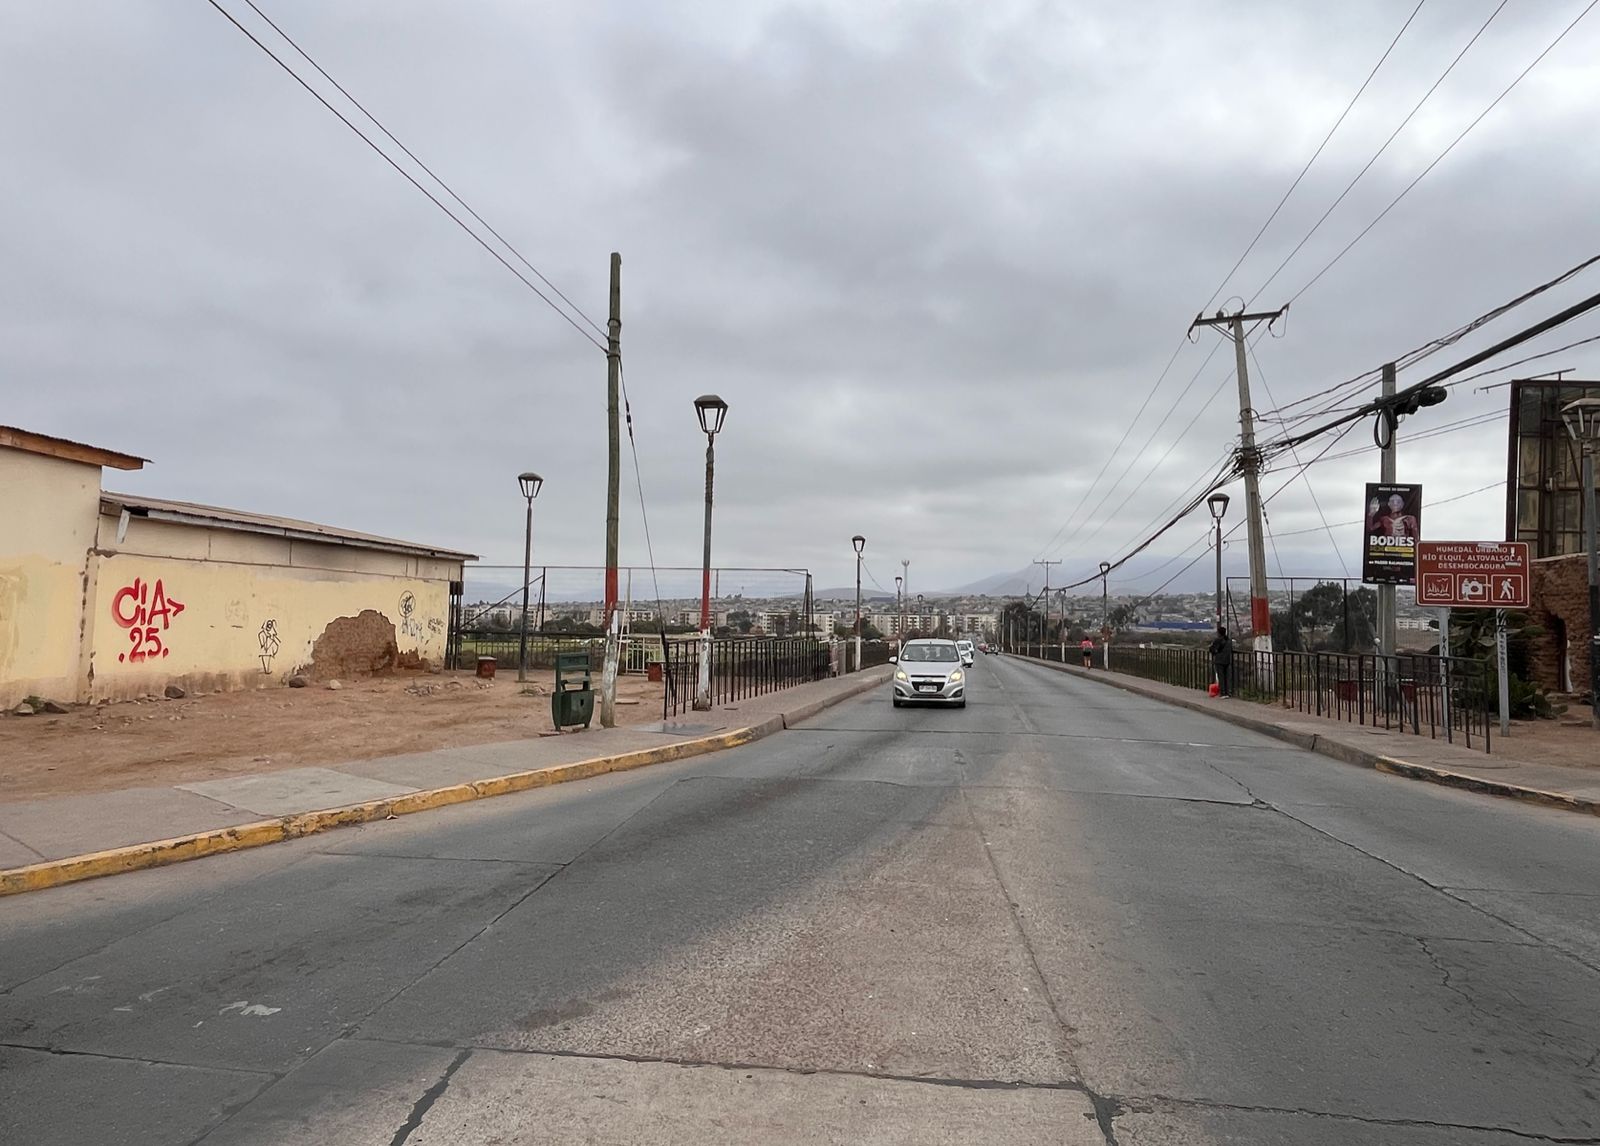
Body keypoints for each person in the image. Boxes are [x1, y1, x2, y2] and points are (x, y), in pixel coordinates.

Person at [1209, 625, 1234, 697]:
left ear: (1219, 633)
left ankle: (1222, 693)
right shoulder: (1229, 641)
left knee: (1221, 677)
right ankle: (1228, 692)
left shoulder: (1217, 640)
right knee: (1227, 677)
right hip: (1227, 660)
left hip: (1219, 660)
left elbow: (1212, 649)